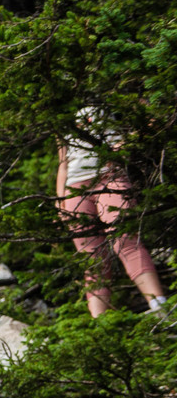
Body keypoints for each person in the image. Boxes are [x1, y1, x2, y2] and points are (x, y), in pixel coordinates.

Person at [58, 118, 167, 316]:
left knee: (125, 239)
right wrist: (60, 201)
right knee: (92, 258)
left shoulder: (110, 99)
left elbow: (150, 118)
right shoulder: (61, 110)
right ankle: (101, 325)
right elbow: (63, 163)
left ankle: (160, 306)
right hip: (74, 187)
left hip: (110, 175)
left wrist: (124, 144)